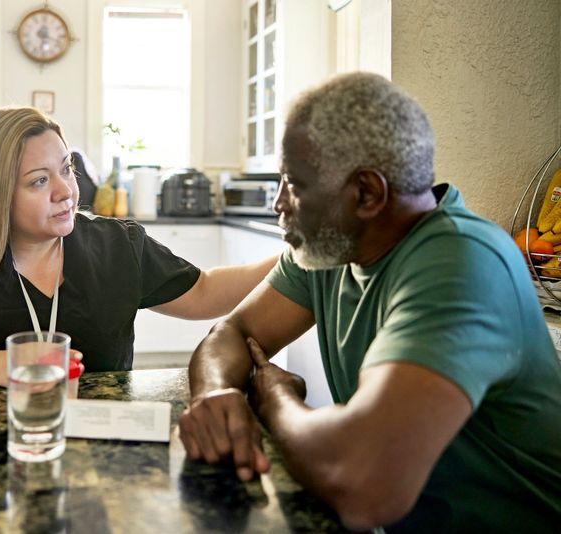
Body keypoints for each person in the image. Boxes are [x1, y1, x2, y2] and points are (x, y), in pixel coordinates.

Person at [178, 72, 561, 532]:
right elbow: (233, 334)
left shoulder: (461, 265)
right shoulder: (329, 250)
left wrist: (275, 400)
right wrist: (216, 393)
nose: (278, 203)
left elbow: (364, 486)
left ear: (367, 193)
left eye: (294, 185)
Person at [0, 106, 276, 390]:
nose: (65, 192)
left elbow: (204, 291)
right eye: (39, 180)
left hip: (102, 451)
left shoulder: (117, 245)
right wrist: (9, 367)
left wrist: (293, 259)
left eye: (66, 169)